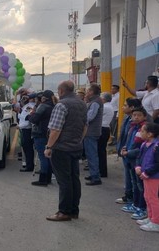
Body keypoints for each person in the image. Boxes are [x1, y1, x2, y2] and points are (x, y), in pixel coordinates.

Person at [44, 81, 87, 221]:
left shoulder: (61, 105)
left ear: (61, 91)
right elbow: (85, 126)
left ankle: (64, 212)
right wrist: (79, 140)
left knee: (64, 181)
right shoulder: (82, 103)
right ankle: (74, 210)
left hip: (61, 148)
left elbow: (56, 129)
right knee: (74, 179)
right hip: (76, 146)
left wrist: (49, 147)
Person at [120, 107, 148, 220]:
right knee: (135, 183)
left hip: (137, 160)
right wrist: (125, 148)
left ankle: (142, 207)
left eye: (139, 115)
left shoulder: (144, 129)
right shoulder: (133, 126)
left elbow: (142, 147)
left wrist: (129, 152)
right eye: (134, 115)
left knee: (140, 186)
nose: (136, 117)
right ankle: (136, 204)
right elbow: (129, 141)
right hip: (130, 158)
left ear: (144, 117)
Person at [116, 98, 142, 205]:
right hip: (126, 151)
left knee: (135, 180)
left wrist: (128, 151)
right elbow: (124, 135)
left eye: (125, 105)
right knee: (129, 176)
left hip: (133, 154)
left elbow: (136, 141)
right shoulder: (127, 118)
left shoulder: (139, 123)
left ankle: (135, 201)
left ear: (132, 108)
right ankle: (129, 195)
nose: (123, 107)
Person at [136, 123, 159, 232]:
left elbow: (157, 164)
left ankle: (156, 222)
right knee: (147, 197)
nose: (140, 132)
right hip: (146, 175)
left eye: (143, 131)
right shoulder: (144, 144)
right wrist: (138, 166)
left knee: (153, 198)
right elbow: (139, 158)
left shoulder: (156, 146)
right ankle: (150, 217)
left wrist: (147, 172)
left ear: (150, 134)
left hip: (153, 177)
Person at [28, 90, 55, 186]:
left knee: (42, 156)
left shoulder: (42, 106)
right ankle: (48, 179)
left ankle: (43, 180)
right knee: (48, 157)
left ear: (43, 98)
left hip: (39, 134)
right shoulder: (53, 106)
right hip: (49, 134)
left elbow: (35, 119)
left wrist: (30, 116)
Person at [84, 84, 104, 186]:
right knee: (90, 154)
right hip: (92, 131)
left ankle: (95, 177)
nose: (86, 93)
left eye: (88, 91)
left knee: (92, 154)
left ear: (91, 92)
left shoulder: (95, 102)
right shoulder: (94, 101)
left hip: (91, 131)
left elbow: (90, 117)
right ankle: (93, 174)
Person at [18, 93, 35, 172]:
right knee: (26, 148)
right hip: (25, 129)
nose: (22, 101)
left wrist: (20, 126)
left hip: (27, 130)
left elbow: (28, 119)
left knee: (28, 149)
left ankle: (29, 166)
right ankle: (29, 165)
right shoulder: (26, 106)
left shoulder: (29, 107)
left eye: (24, 99)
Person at [98, 92, 114, 178]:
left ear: (103, 99)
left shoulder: (105, 107)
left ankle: (102, 171)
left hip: (102, 128)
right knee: (101, 151)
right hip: (105, 128)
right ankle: (102, 170)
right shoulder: (109, 106)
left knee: (100, 151)